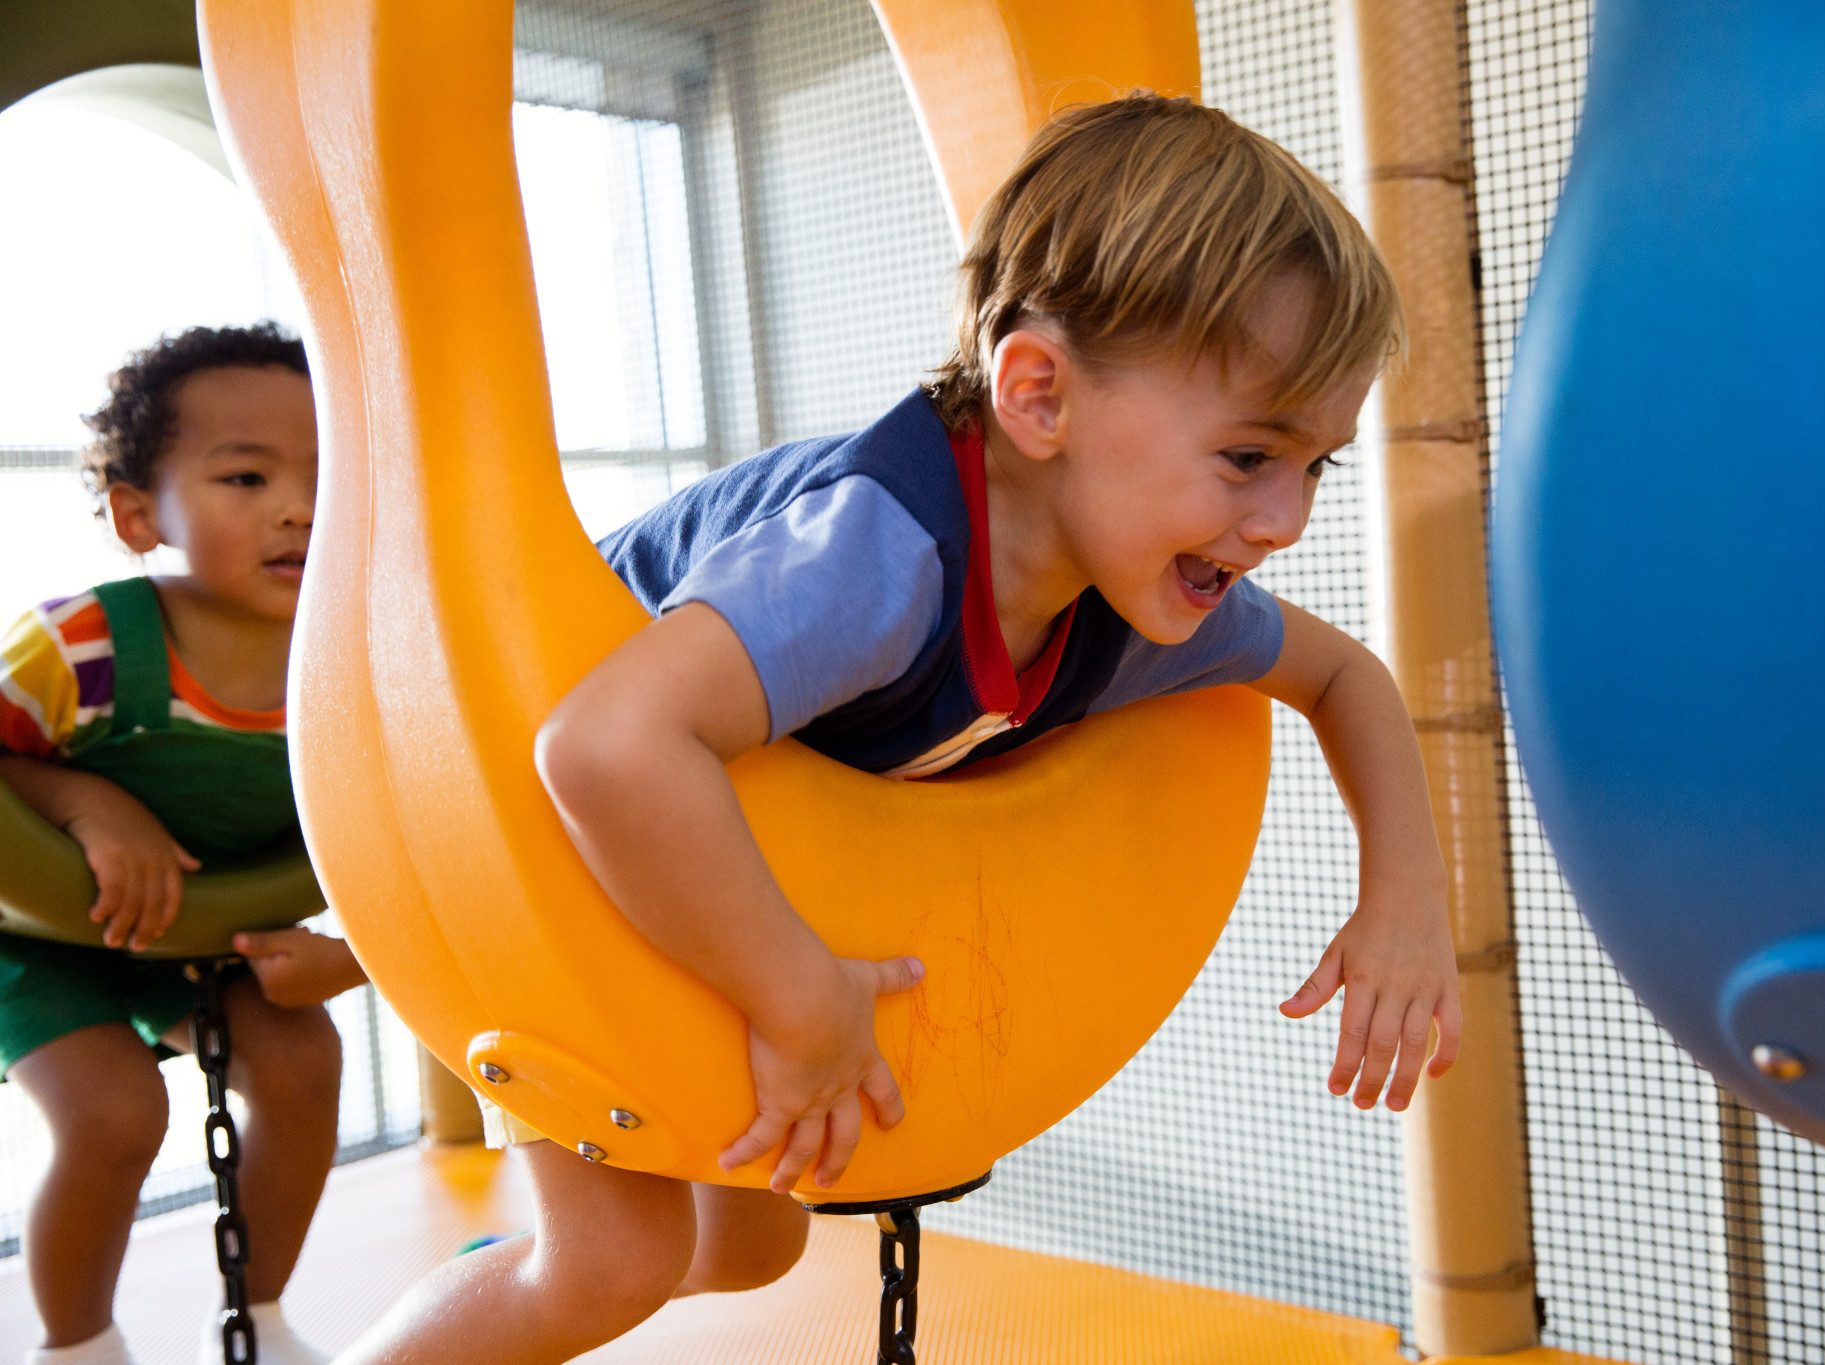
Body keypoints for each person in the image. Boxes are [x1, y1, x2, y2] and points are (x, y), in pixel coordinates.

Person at [340, 94, 1460, 1365]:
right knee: (610, 1265)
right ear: (1036, 396)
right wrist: (799, 997)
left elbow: (1342, 678)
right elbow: (601, 748)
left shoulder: (1137, 598)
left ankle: (483, 1282)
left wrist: (1405, 901)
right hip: (519, 832)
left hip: (665, 827)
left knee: (748, 1243)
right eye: (1249, 455)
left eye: (1315, 467)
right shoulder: (879, 558)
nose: (1282, 522)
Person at [0, 324, 364, 1365]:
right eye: (245, 477)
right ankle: (76, 1346)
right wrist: (83, 800)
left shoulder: (357, 668)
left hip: (217, 927)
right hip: (39, 932)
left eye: (329, 474)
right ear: (135, 515)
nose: (299, 506)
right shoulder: (83, 646)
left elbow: (412, 839)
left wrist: (347, 953)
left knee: (302, 1067)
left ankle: (261, 1316)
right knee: (113, 1116)